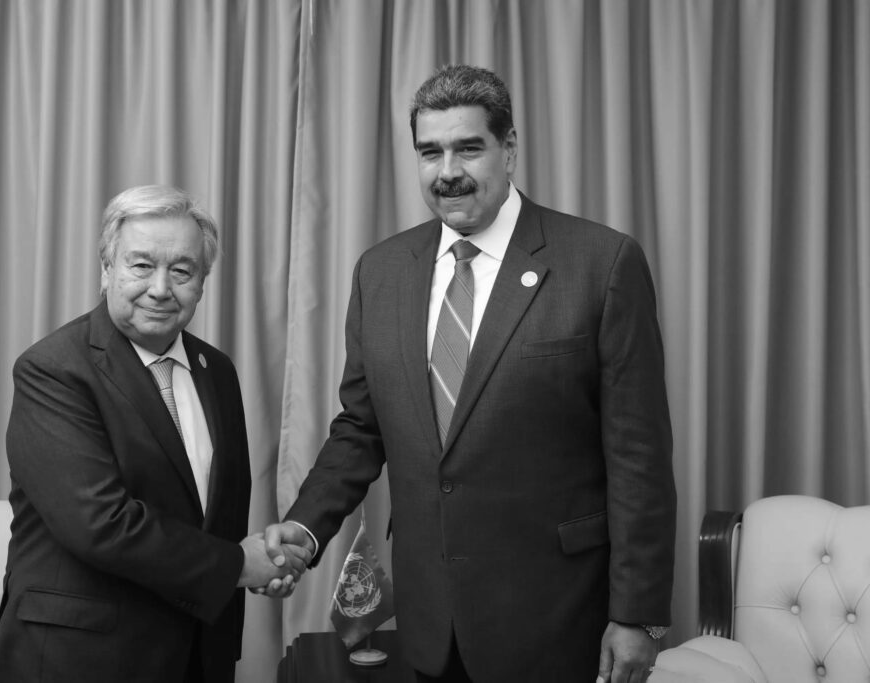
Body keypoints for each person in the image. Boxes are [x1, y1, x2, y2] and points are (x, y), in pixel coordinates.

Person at [264, 65, 676, 682]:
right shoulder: (380, 272)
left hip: (557, 615)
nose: (447, 171)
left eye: (468, 148)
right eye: (430, 152)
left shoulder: (601, 263)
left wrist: (638, 615)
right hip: (431, 619)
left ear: (508, 149)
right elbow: (360, 428)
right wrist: (304, 527)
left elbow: (638, 455)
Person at [0, 185, 308, 683]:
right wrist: (238, 566)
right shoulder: (53, 370)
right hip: (79, 660)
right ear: (106, 269)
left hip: (197, 653)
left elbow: (212, 518)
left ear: (202, 283)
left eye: (182, 271)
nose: (160, 288)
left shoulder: (217, 371)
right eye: (141, 265)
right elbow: (100, 524)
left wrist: (259, 562)